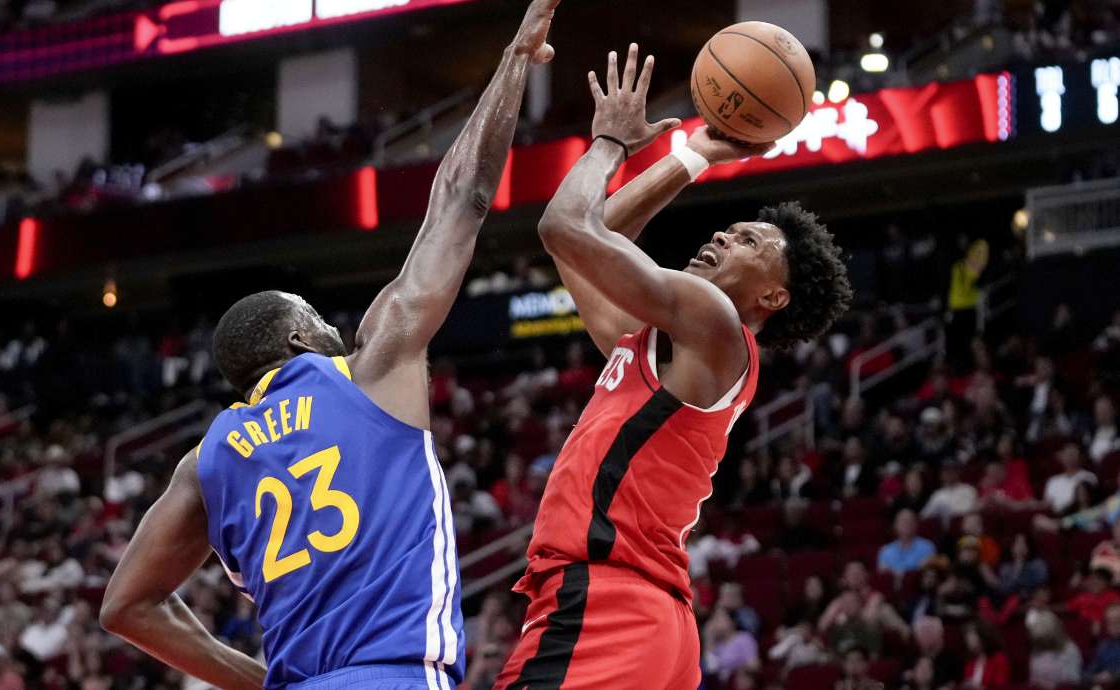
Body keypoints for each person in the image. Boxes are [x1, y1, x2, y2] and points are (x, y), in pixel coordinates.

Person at [97, 3, 563, 688]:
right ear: (297, 337)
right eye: (318, 320)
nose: (335, 331)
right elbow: (462, 198)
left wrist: (261, 682)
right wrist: (512, 62)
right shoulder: (370, 368)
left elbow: (125, 606)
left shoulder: (207, 461)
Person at [492, 42, 851, 690]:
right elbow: (582, 247)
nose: (722, 236)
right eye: (730, 230)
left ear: (773, 298)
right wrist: (697, 154)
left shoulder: (717, 322)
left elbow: (564, 226)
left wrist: (610, 143)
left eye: (747, 241)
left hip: (609, 603)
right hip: (643, 611)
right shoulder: (657, 348)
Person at [1027, 609, 1082, 689]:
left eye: (1044, 640)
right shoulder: (1036, 651)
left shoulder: (1070, 650)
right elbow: (1033, 680)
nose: (1042, 643)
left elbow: (1073, 681)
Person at [878, 509, 936, 579]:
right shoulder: (885, 551)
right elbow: (883, 577)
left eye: (910, 521)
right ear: (895, 526)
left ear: (916, 525)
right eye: (903, 521)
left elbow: (929, 575)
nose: (906, 525)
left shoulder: (928, 547)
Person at [961, 621, 1009, 688]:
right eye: (967, 639)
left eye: (972, 639)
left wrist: (978, 687)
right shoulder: (970, 661)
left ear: (983, 638)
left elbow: (1001, 686)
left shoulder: (999, 659)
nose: (969, 643)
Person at [1085, 603, 1120, 686]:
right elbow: (1088, 673)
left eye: (1118, 621)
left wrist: (1112, 676)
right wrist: (1094, 678)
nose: (1114, 625)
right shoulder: (1104, 646)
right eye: (1109, 622)